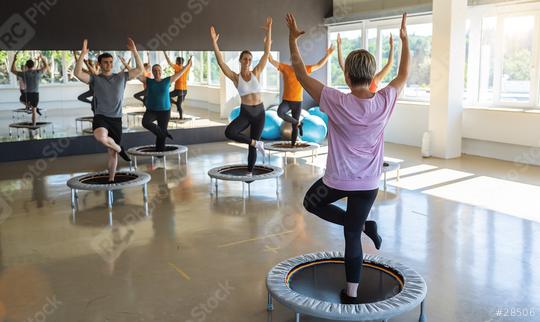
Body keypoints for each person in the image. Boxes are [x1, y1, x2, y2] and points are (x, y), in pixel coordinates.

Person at [286, 13, 409, 304]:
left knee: (310, 202)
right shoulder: (385, 100)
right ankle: (351, 292)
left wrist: (292, 38)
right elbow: (403, 75)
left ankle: (364, 226)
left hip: (338, 182)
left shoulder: (336, 100)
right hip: (368, 184)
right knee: (352, 236)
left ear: (347, 75)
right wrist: (404, 41)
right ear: (372, 75)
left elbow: (301, 74)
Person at [74, 38, 144, 182]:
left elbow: (140, 70)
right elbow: (77, 73)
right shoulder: (95, 79)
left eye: (111, 62)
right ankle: (120, 149)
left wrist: (134, 52)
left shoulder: (121, 77)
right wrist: (82, 55)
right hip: (101, 116)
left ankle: (111, 179)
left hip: (116, 118)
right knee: (100, 137)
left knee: (112, 153)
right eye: (105, 62)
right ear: (100, 64)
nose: (109, 64)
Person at [210, 17, 272, 175]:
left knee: (253, 147)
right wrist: (214, 43)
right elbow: (221, 63)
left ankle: (250, 172)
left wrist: (269, 30)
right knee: (230, 132)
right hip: (246, 112)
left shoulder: (256, 72)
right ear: (240, 60)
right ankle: (255, 143)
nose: (248, 61)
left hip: (259, 113)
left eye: (250, 59)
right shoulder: (235, 77)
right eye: (245, 59)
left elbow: (266, 52)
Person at [268, 46, 334, 146]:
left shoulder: (305, 70)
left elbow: (319, 65)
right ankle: (298, 122)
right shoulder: (285, 68)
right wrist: (267, 47)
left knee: (294, 127)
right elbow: (271, 60)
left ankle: (293, 145)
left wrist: (328, 55)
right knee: (280, 112)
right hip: (286, 101)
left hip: (297, 102)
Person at [138, 58, 192, 151]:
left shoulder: (167, 80)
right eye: (155, 70)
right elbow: (136, 75)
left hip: (165, 111)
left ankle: (160, 154)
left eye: (158, 70)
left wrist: (187, 65)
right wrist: (127, 65)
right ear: (152, 72)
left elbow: (180, 73)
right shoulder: (149, 81)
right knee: (145, 122)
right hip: (151, 110)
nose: (157, 72)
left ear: (161, 71)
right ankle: (164, 132)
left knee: (161, 137)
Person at [10, 52, 49, 116]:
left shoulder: (24, 73)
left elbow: (12, 70)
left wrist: (14, 60)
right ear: (33, 65)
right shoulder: (37, 72)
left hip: (28, 93)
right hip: (35, 93)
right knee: (33, 111)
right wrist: (42, 58)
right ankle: (34, 120)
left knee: (21, 99)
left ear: (26, 66)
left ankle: (30, 106)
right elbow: (46, 66)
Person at [164, 52, 193, 119]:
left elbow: (169, 62)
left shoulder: (177, 67)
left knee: (166, 96)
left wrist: (165, 53)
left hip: (178, 90)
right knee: (179, 104)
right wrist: (191, 57)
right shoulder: (186, 68)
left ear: (177, 62)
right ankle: (181, 117)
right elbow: (190, 64)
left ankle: (175, 104)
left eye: (176, 61)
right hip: (184, 90)